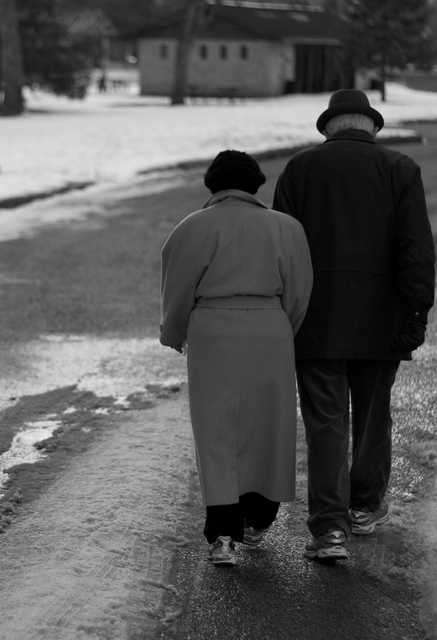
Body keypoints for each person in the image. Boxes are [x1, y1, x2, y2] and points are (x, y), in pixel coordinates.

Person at [272, 89, 436, 561]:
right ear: (371, 128)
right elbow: (415, 249)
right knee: (372, 415)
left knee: (325, 423)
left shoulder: (300, 169)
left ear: (329, 127)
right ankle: (364, 506)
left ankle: (330, 530)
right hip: (380, 319)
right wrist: (415, 311)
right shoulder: (400, 169)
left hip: (315, 319)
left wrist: (280, 314)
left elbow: (283, 248)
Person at [160, 149, 313, 567]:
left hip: (212, 332)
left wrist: (173, 334)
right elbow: (299, 295)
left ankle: (223, 534)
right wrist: (283, 330)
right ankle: (259, 515)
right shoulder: (287, 228)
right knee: (268, 427)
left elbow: (177, 290)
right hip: (271, 329)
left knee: (217, 432)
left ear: (212, 184)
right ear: (255, 184)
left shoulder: (191, 228)